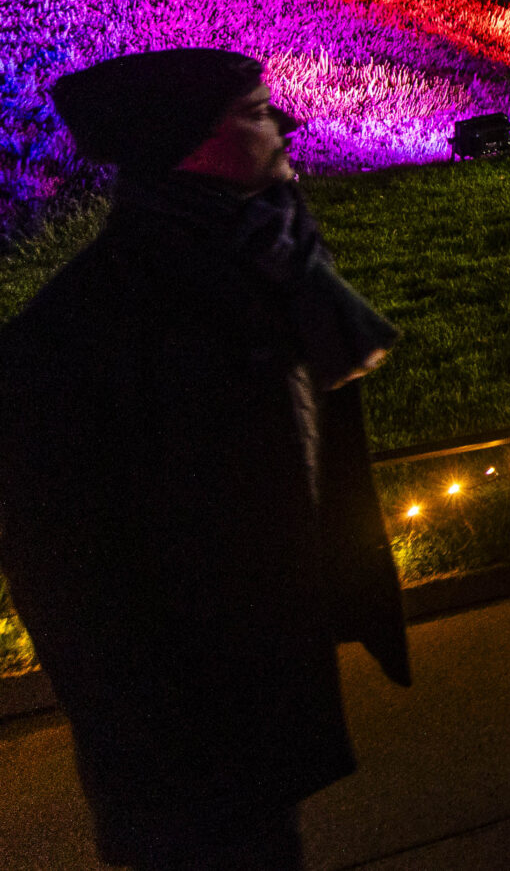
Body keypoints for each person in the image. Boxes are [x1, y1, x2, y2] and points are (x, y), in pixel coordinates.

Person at [0, 50, 408, 870]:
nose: (283, 123)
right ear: (193, 146)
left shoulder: (271, 258)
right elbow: (62, 566)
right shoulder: (83, 330)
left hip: (261, 676)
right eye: (257, 110)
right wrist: (146, 733)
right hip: (177, 733)